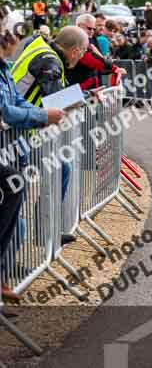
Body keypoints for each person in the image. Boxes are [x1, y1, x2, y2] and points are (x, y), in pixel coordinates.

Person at [0, 27, 65, 302]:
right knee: (14, 185)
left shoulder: (5, 66)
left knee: (16, 187)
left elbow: (16, 100)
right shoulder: (46, 57)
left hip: (14, 140)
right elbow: (6, 110)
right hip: (13, 141)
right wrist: (42, 116)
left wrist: (38, 113)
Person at [11, 27, 88, 246]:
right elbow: (56, 100)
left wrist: (86, 95)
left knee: (60, 168)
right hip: (17, 131)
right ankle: (19, 249)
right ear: (75, 50)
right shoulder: (50, 61)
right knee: (16, 193)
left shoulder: (42, 48)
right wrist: (87, 97)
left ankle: (45, 230)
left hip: (22, 129)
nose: (81, 58)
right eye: (82, 53)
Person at [70, 13, 125, 90]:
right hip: (80, 87)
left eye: (94, 29)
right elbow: (88, 58)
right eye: (89, 28)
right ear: (79, 26)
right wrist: (113, 68)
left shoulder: (93, 39)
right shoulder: (75, 40)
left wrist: (111, 68)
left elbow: (99, 58)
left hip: (92, 85)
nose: (92, 31)